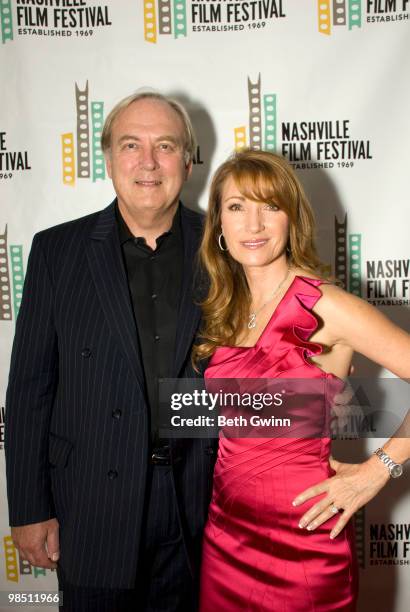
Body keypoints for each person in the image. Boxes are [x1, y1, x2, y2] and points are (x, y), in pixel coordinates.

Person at [5, 91, 216, 611]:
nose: (148, 162)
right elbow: (30, 389)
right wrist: (29, 509)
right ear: (107, 158)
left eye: (165, 146)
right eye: (131, 145)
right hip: (91, 505)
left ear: (188, 162)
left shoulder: (227, 246)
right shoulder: (57, 251)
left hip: (201, 504)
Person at [194, 149, 410, 611]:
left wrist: (379, 470)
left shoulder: (324, 304)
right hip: (224, 540)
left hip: (303, 544)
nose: (253, 225)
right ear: (218, 225)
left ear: (292, 218)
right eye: (236, 208)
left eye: (269, 206)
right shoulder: (227, 310)